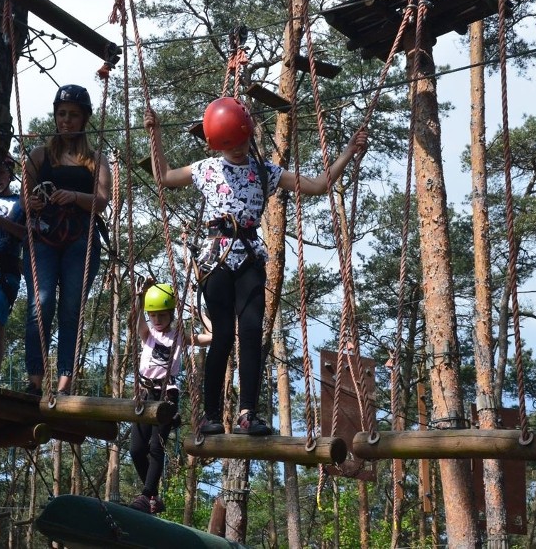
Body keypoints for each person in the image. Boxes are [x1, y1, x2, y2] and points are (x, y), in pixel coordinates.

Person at [143, 97, 368, 436]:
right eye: (229, 146)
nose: (237, 150)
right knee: (221, 337)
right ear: (218, 144)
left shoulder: (266, 172)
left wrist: (349, 152)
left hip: (248, 255)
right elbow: (163, 176)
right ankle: (211, 415)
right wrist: (154, 133)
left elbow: (318, 185)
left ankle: (247, 412)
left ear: (249, 134)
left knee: (249, 332)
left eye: (242, 142)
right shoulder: (206, 169)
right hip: (216, 258)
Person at [22, 84, 111, 396]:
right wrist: (31, 203)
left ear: (84, 119)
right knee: (41, 304)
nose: (66, 120)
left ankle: (64, 382)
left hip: (80, 238)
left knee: (71, 308)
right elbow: (25, 196)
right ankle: (34, 379)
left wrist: (73, 195)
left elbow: (101, 201)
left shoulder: (95, 160)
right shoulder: (38, 156)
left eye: (73, 115)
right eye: (62, 114)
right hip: (43, 237)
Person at [130, 282, 211, 514]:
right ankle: (153, 495)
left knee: (156, 446)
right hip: (145, 393)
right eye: (153, 315)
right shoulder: (148, 334)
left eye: (162, 315)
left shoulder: (180, 337)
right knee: (136, 449)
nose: (157, 320)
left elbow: (212, 336)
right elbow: (138, 322)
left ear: (171, 314)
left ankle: (147, 496)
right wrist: (140, 297)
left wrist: (199, 314)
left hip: (167, 393)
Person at [0, 154, 27, 386]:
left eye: (2, 172)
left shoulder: (20, 202)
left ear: (10, 174)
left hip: (4, 270)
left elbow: (26, 233)